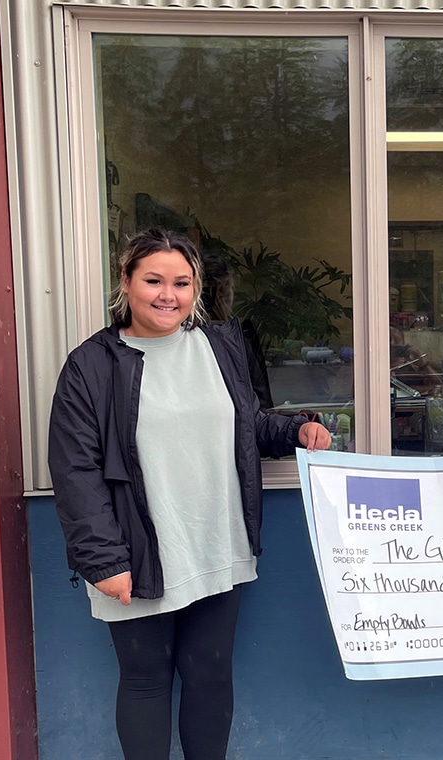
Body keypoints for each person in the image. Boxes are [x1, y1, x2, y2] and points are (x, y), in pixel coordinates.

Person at [48, 228, 331, 760]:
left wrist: (295, 430)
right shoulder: (92, 366)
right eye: (153, 280)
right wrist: (102, 560)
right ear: (126, 283)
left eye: (181, 283)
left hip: (216, 543)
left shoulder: (220, 345)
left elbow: (243, 425)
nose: (167, 295)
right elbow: (75, 471)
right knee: (146, 681)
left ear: (196, 289)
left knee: (210, 676)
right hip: (136, 553)